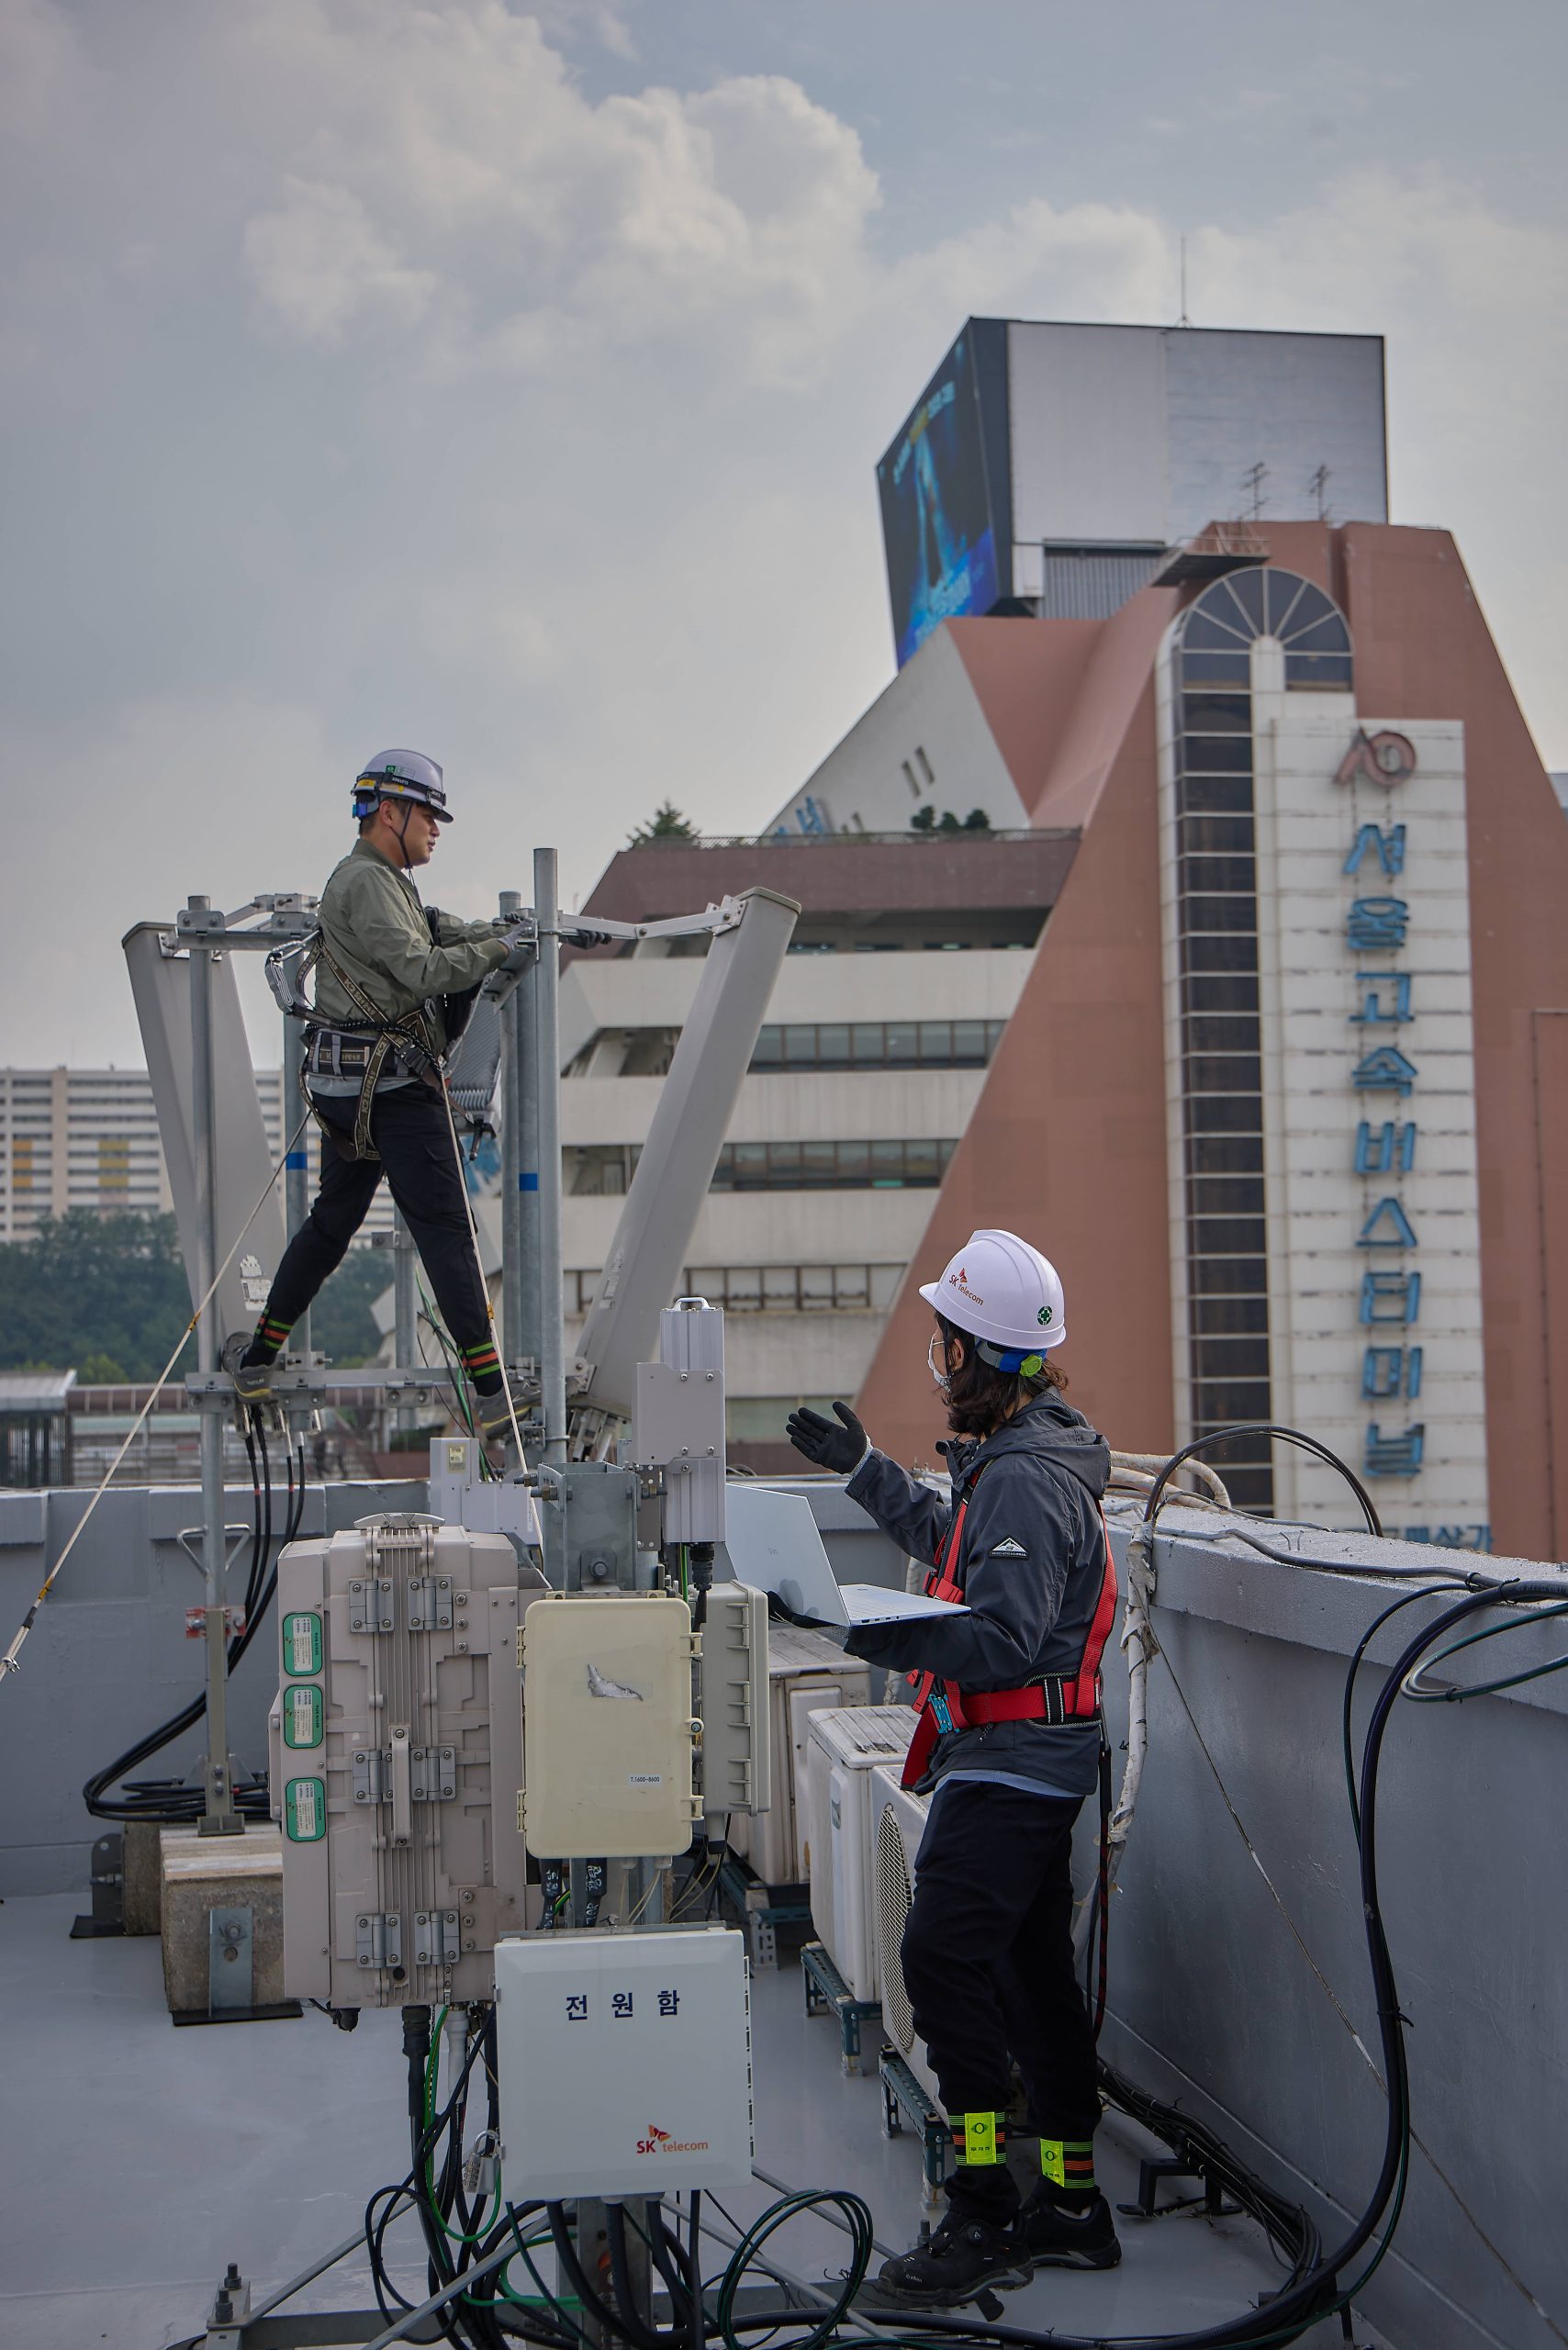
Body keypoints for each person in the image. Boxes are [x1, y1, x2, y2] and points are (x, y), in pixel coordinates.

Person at [786, 1228, 1119, 2309]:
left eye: (945, 1346)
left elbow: (1003, 1641)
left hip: (1016, 1762)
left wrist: (860, 1631)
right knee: (1027, 1972)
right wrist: (865, 1472)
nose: (937, 1363)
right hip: (1023, 1755)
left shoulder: (1025, 1477)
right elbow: (954, 1539)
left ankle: (981, 2202)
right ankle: (1068, 2199)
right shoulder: (1022, 1458)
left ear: (981, 1355)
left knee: (937, 1956)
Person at [224, 750, 528, 1447]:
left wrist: (495, 932)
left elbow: (440, 928)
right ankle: (491, 1398)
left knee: (333, 1224)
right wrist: (499, 951)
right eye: (429, 814)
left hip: (354, 1090)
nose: (437, 829)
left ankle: (259, 1359)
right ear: (390, 811)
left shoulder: (385, 883)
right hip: (391, 1089)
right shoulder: (366, 884)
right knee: (447, 1233)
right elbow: (424, 968)